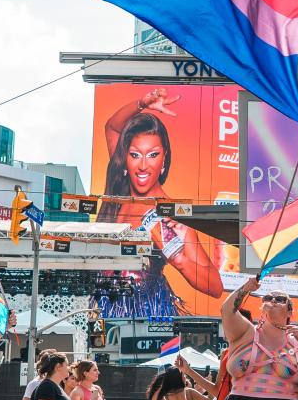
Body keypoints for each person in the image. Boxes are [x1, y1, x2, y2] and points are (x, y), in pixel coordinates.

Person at [95, 89, 221, 303]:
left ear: (164, 160)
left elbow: (215, 286)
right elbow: (112, 126)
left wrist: (178, 258)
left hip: (145, 310)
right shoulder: (121, 188)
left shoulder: (171, 214)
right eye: (135, 155)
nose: (143, 166)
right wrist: (142, 102)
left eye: (153, 155)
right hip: (101, 301)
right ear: (125, 158)